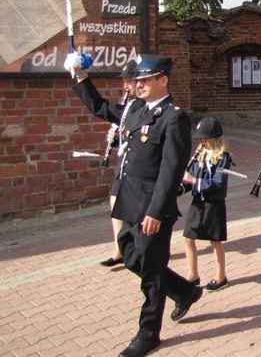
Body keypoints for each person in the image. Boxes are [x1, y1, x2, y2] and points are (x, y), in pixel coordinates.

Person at [70, 54, 201, 357]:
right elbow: (100, 107)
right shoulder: (136, 110)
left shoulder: (174, 117)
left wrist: (157, 211)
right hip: (129, 201)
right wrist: (80, 76)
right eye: (136, 80)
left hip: (152, 206)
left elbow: (171, 170)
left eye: (144, 79)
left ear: (162, 80)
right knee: (130, 257)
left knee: (152, 273)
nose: (137, 84)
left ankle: (148, 333)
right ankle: (185, 290)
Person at [180, 117, 232, 292]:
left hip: (214, 204)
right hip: (198, 202)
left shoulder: (223, 157)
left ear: (215, 139)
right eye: (199, 139)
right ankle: (193, 274)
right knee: (188, 238)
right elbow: (190, 180)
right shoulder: (200, 155)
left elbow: (217, 182)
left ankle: (220, 276)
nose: (201, 142)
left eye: (204, 139)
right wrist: (180, 187)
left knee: (215, 241)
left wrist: (193, 180)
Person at [100, 60, 138, 268]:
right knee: (115, 203)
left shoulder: (143, 106)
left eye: (128, 81)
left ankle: (141, 248)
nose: (125, 87)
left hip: (140, 168)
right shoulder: (127, 105)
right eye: (123, 82)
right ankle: (119, 249)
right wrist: (115, 138)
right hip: (124, 163)